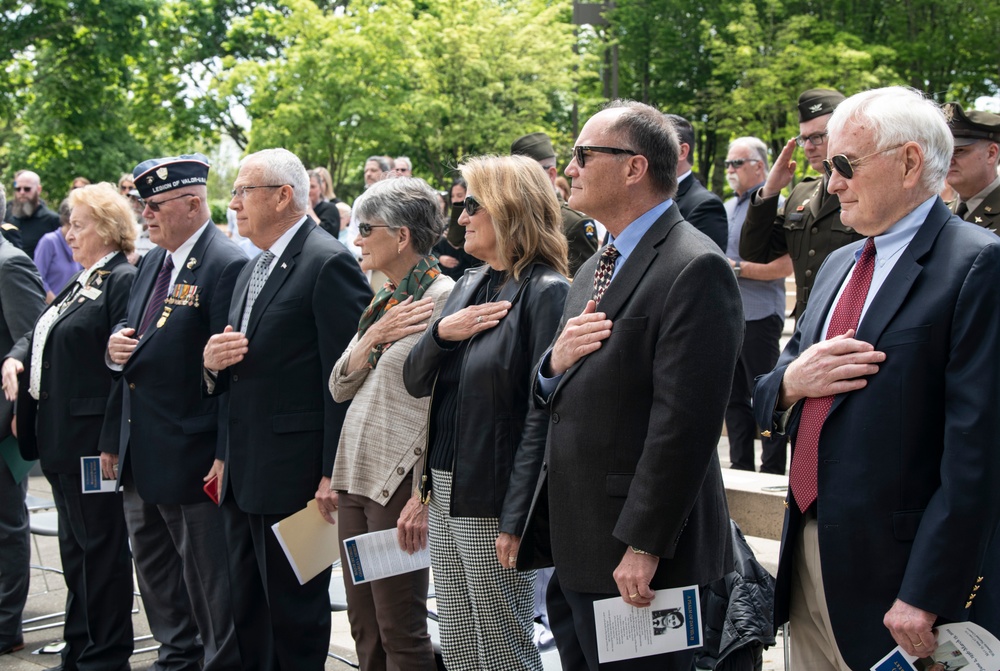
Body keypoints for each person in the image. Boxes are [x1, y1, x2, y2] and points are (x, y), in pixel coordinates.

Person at [752, 87, 1000, 670]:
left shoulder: (976, 262)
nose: (831, 182)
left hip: (902, 583)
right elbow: (769, 389)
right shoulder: (841, 262)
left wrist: (928, 591)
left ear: (910, 161)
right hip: (810, 556)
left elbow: (978, 455)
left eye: (844, 164)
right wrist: (792, 385)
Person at [520, 100, 744, 671]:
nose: (568, 168)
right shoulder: (598, 263)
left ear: (633, 167)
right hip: (577, 546)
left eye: (582, 155)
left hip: (639, 560)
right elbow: (558, 392)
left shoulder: (694, 266)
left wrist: (644, 544)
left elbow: (684, 425)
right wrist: (549, 368)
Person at [202, 148, 371, 670]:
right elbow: (237, 367)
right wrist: (210, 364)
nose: (232, 205)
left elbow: (345, 379)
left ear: (283, 196)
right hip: (243, 473)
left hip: (297, 479)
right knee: (247, 609)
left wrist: (331, 473)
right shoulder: (253, 264)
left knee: (294, 617)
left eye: (242, 192)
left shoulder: (327, 261)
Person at [404, 154, 570, 670]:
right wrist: (439, 333)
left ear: (509, 209)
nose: (461, 218)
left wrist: (516, 516)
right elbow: (414, 379)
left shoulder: (547, 292)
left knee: (502, 645)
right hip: (447, 484)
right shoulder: (469, 283)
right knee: (456, 643)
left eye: (472, 205)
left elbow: (541, 418)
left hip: (494, 495)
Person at [101, 154, 246, 671]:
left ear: (192, 202)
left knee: (210, 588)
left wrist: (225, 453)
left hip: (193, 457)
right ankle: (175, 660)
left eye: (155, 205)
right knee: (158, 581)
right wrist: (114, 350)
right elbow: (132, 352)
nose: (146, 216)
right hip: (143, 451)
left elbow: (231, 373)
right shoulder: (152, 264)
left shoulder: (225, 263)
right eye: (142, 205)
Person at [2, 182, 137, 670]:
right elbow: (39, 328)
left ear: (106, 228)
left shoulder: (120, 279)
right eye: (67, 225)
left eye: (78, 225)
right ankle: (80, 647)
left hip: (90, 443)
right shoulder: (83, 280)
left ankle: (106, 653)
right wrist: (16, 360)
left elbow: (122, 366)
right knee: (76, 550)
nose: (68, 234)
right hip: (60, 440)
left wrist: (109, 438)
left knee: (100, 551)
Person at [329, 177, 453, 671]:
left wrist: (421, 497)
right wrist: (374, 335)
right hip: (355, 475)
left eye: (366, 228)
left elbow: (439, 405)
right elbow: (339, 384)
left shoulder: (442, 298)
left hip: (395, 483)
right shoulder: (384, 300)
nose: (356, 238)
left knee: (400, 628)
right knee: (365, 627)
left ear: (401, 236)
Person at [740, 89, 863, 318]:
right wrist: (770, 190)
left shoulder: (864, 190)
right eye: (804, 139)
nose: (808, 147)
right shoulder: (802, 193)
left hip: (850, 326)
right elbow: (755, 252)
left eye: (817, 137)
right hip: (806, 324)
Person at [723, 137, 792, 474]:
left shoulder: (775, 206)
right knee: (733, 401)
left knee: (764, 398)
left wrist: (735, 268)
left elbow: (785, 267)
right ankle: (739, 465)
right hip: (729, 318)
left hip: (761, 317)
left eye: (737, 163)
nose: (730, 170)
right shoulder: (726, 207)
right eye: (727, 164)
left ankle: (772, 466)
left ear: (760, 166)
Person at [0, 183, 45, 659]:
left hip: (3, 424)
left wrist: (17, 419)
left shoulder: (9, 263)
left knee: (6, 527)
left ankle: (5, 624)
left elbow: (32, 342)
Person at [511, 132, 599, 276]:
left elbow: (581, 288)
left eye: (524, 176)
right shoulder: (514, 217)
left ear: (550, 174)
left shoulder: (573, 223)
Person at [665, 114, 728, 251]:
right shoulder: (648, 197)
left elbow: (707, 267)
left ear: (682, 151)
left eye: (656, 147)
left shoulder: (705, 205)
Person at [943, 102, 1000, 230]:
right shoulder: (940, 212)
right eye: (946, 153)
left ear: (991, 154)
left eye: (959, 151)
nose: (949, 161)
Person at [34, 199, 83, 303]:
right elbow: (38, 278)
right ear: (67, 221)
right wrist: (56, 306)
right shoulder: (49, 241)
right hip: (49, 309)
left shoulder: (81, 242)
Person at [8, 170, 60, 259]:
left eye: (27, 189)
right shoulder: (8, 216)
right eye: (18, 189)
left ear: (38, 189)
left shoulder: (52, 220)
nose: (22, 192)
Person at [307, 168, 341, 237]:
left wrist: (309, 210)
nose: (308, 190)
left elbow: (326, 235)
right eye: (306, 186)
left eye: (312, 187)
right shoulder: (296, 210)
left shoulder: (330, 209)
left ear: (320, 189)